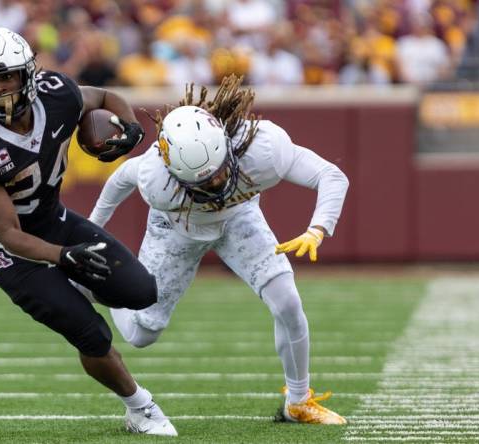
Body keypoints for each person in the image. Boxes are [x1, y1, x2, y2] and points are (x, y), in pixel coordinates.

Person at [0, 27, 177, 436]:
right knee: (90, 332)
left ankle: (77, 284)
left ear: (28, 74)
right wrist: (64, 258)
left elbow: (101, 98)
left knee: (142, 292)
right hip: (3, 248)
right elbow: (9, 234)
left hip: (51, 219)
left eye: (6, 77)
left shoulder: (57, 93)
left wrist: (131, 126)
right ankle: (140, 407)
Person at [88, 75, 350, 425]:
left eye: (217, 171)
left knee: (287, 301)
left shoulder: (263, 148)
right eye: (202, 180)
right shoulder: (156, 177)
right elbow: (121, 178)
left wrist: (318, 228)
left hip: (238, 221)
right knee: (141, 335)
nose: (215, 183)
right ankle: (104, 290)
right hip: (176, 232)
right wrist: (90, 230)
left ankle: (299, 401)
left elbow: (331, 176)